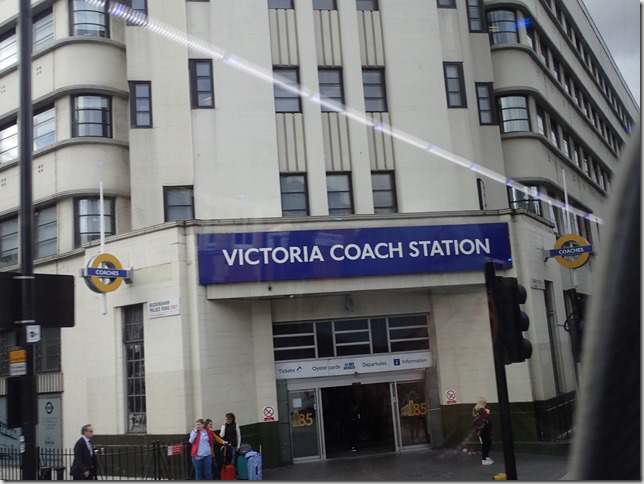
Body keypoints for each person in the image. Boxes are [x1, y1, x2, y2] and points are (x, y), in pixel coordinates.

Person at [472, 397, 494, 465]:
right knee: (486, 443)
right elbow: (485, 418)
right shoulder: (481, 410)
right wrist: (488, 412)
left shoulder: (477, 410)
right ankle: (484, 459)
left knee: (487, 442)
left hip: (481, 429)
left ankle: (486, 457)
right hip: (484, 429)